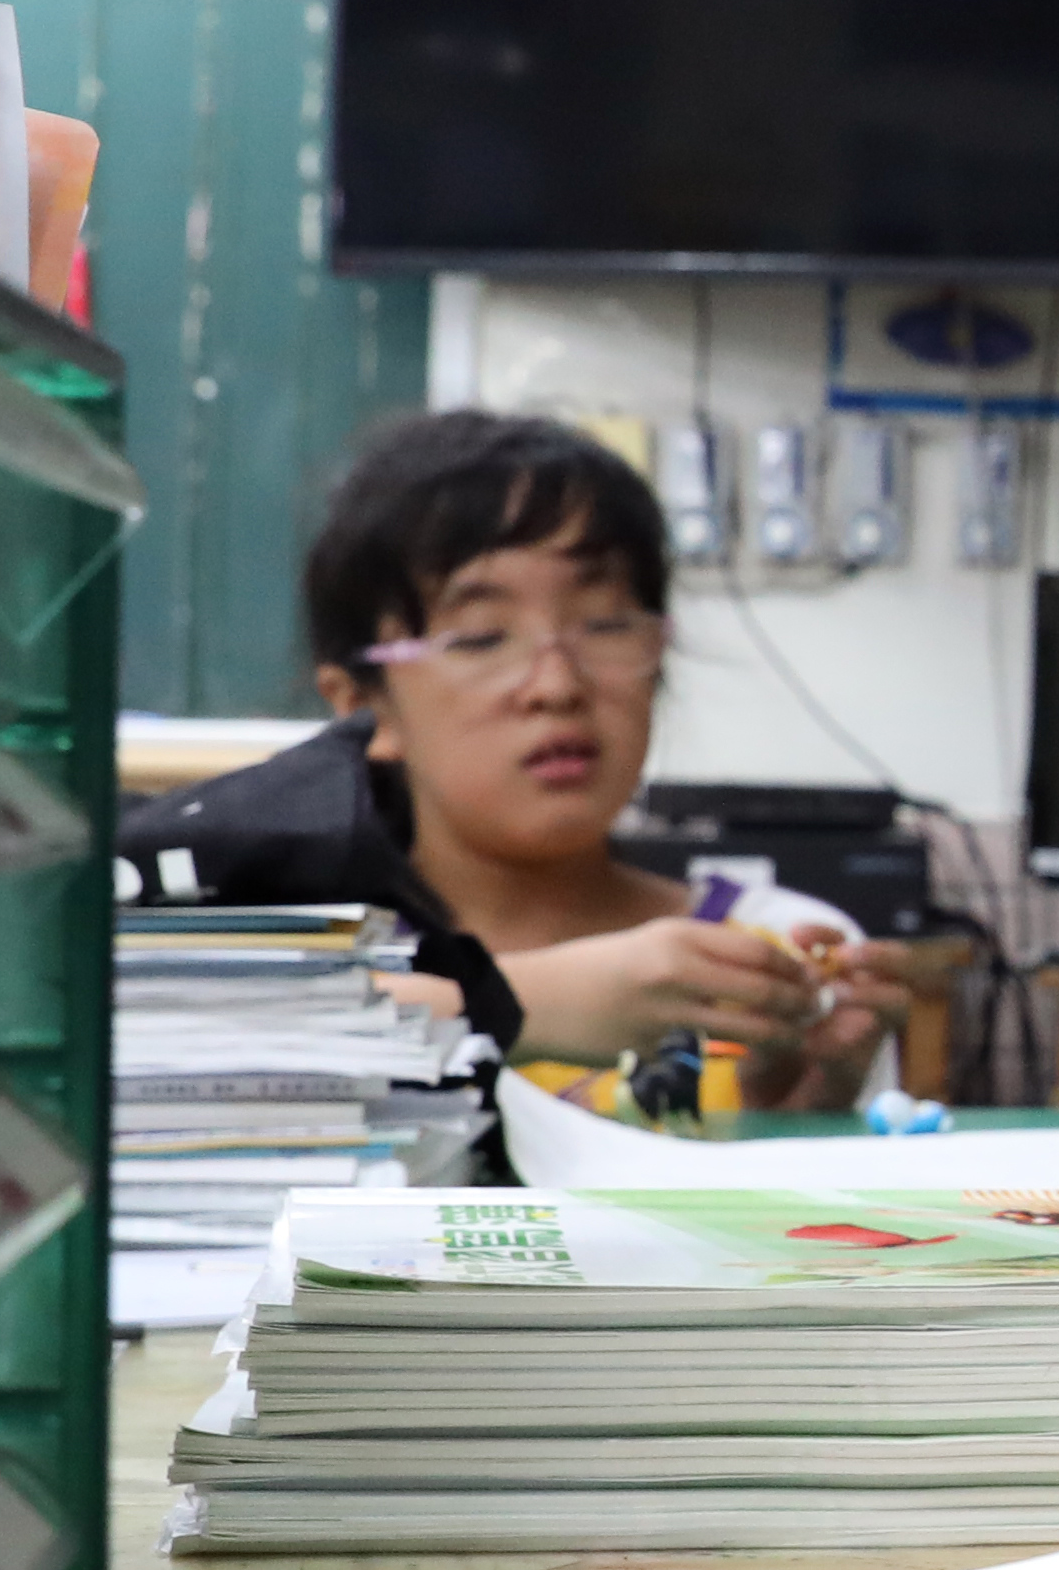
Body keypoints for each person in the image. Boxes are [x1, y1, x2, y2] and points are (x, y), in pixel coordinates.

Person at [114, 410, 911, 1105]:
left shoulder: (761, 953)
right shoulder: (277, 954)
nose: (557, 686)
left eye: (605, 623)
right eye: (482, 637)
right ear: (363, 706)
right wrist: (528, 1001)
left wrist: (793, 1115)